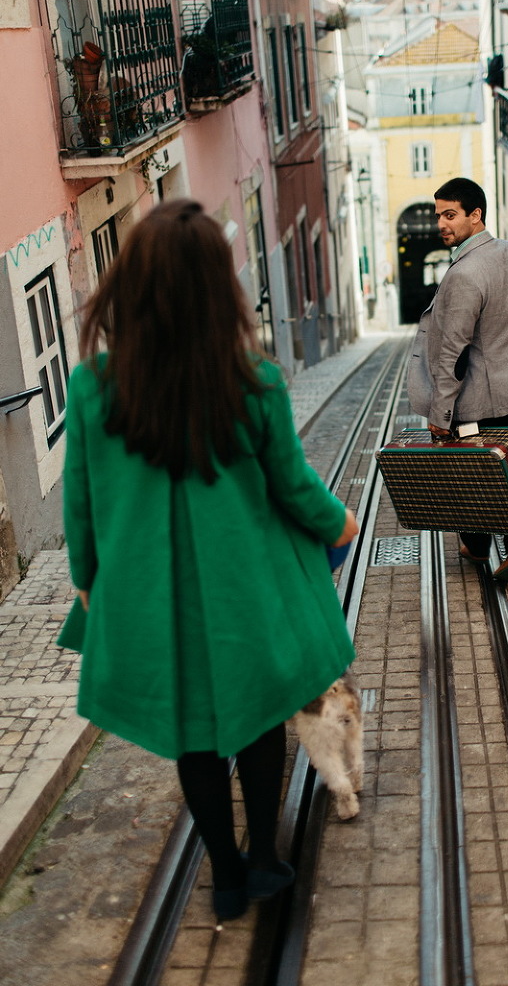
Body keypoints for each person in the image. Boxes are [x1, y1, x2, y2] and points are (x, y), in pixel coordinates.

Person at [58, 199, 359, 922]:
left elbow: (82, 508)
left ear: (133, 286)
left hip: (152, 598)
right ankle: (263, 861)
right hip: (244, 594)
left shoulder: (94, 388)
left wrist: (88, 581)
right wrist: (339, 520)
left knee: (193, 738)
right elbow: (293, 486)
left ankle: (223, 872)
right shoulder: (252, 383)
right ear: (216, 290)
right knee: (256, 724)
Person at [406, 177, 508, 583]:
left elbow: (452, 352)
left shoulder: (464, 273)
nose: (441, 225)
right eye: (439, 216)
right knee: (500, 464)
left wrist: (440, 413)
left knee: (469, 471)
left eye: (450, 215)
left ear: (475, 215)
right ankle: (482, 544)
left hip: (481, 396)